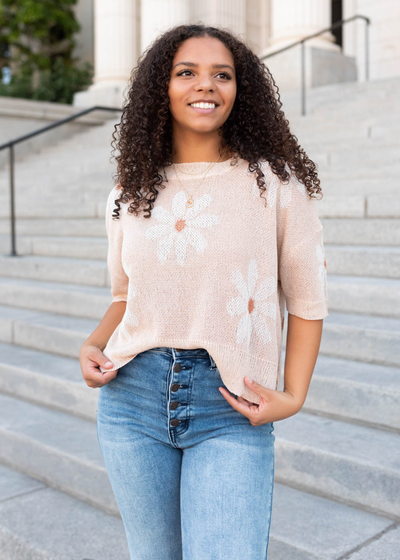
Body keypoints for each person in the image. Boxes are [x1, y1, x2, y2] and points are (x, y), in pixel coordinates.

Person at [79, 23, 328, 560]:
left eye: (223, 75)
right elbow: (126, 296)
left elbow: (308, 299)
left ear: (242, 91)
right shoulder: (129, 194)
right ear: (159, 88)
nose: (206, 86)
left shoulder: (277, 183)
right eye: (186, 72)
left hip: (230, 405)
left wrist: (294, 394)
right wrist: (93, 343)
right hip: (133, 399)